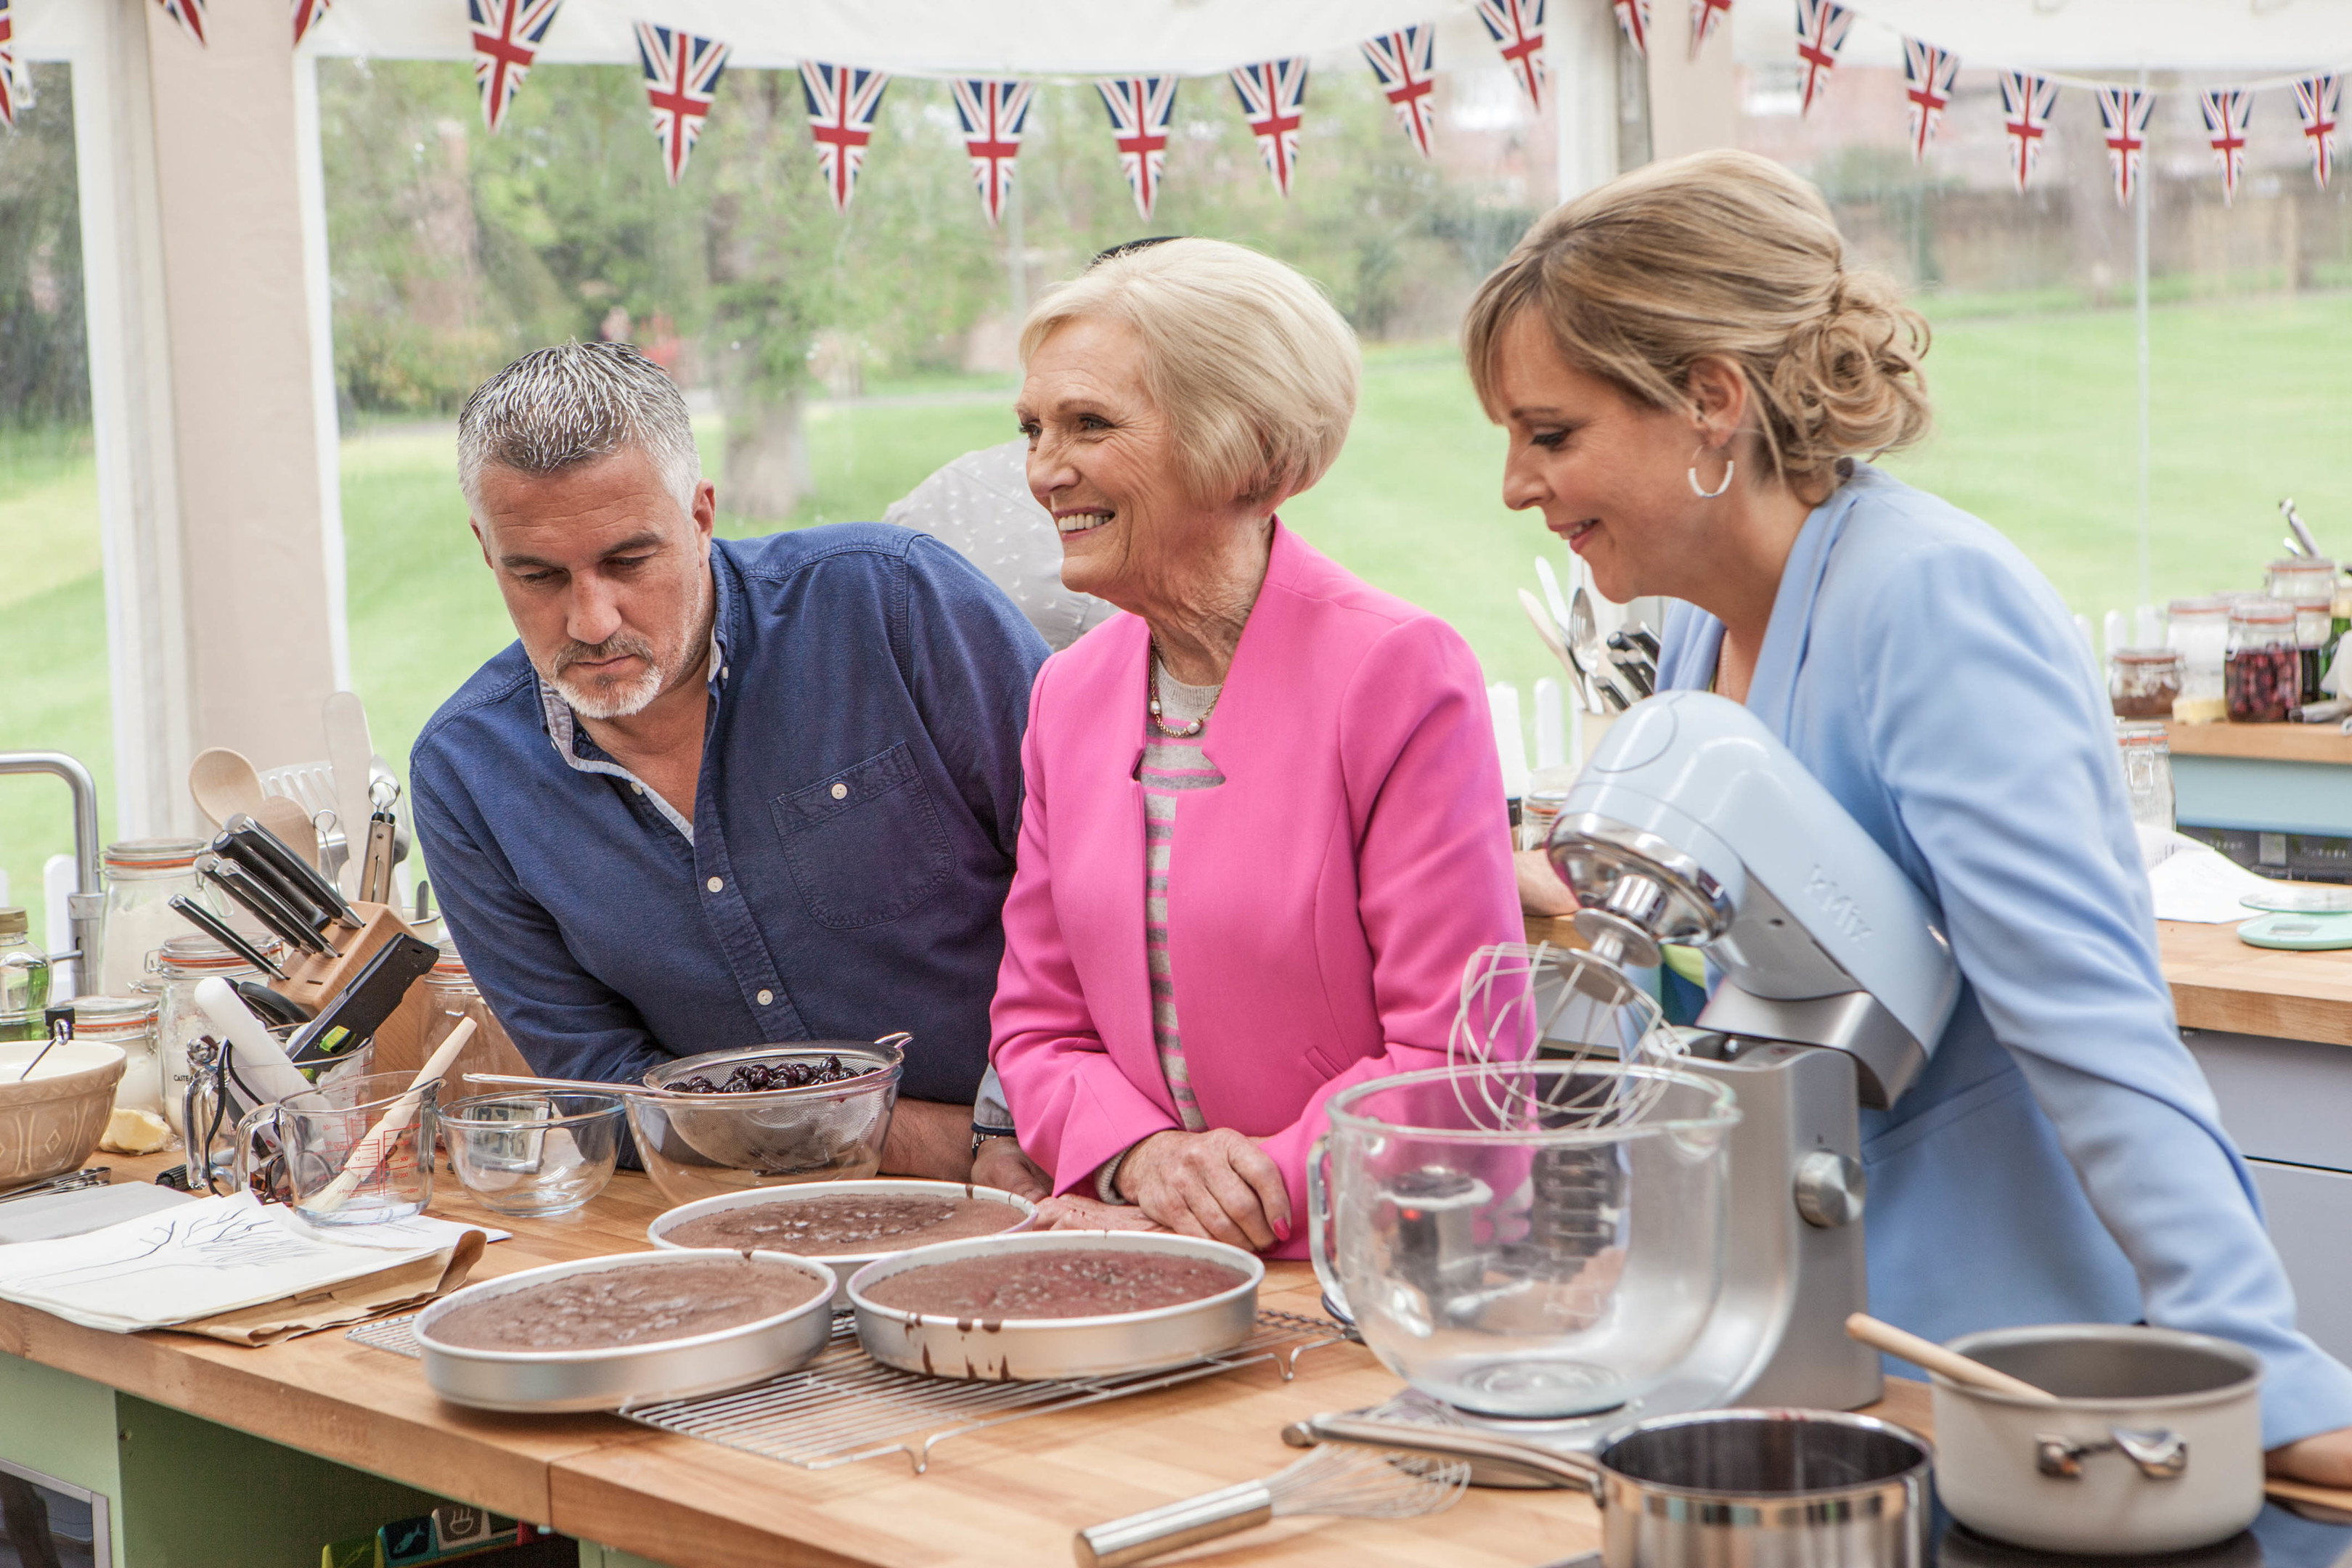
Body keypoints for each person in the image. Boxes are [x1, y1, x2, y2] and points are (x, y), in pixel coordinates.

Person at [1466, 147, 2352, 1481]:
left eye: (1551, 435)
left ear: (1711, 402)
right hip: (1815, 1357)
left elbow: (2091, 1020)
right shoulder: (1713, 638)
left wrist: (2259, 1370)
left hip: (1994, 1377)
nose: (1516, 489)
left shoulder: (1931, 604)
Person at [988, 237, 1523, 1255]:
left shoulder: (1399, 673)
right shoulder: (1069, 694)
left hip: (1384, 1262)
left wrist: (1247, 1192)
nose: (1044, 471)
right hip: (1146, 1249)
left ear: (1249, 451)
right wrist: (1143, 1160)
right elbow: (1037, 1031)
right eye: (1033, 429)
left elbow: (1459, 1053)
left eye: (1090, 425)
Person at [411, 341, 1051, 1188]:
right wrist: (954, 1149)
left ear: (702, 515)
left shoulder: (896, 608)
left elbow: (1107, 890)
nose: (593, 619)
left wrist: (1031, 1127)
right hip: (746, 1226)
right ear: (488, 551)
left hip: (1062, 1171)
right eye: (538, 575)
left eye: (628, 561)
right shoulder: (467, 775)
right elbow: (600, 1093)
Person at [883, 440, 1115, 652]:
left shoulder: (947, 483)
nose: (1037, 479)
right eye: (1033, 429)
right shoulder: (950, 488)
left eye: (1092, 424)